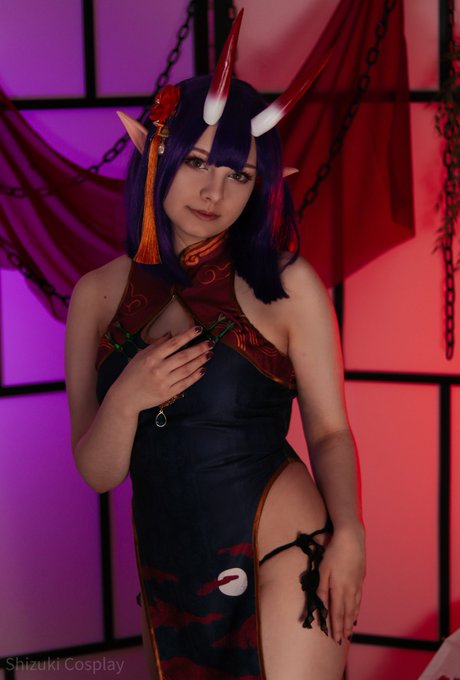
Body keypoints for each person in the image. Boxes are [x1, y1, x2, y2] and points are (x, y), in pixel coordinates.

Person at [65, 12, 365, 680]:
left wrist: (350, 534)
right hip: (170, 582)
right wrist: (128, 399)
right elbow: (98, 471)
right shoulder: (97, 297)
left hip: (287, 555)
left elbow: (329, 431)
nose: (214, 192)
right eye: (197, 162)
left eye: (240, 175)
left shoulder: (287, 285)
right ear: (156, 156)